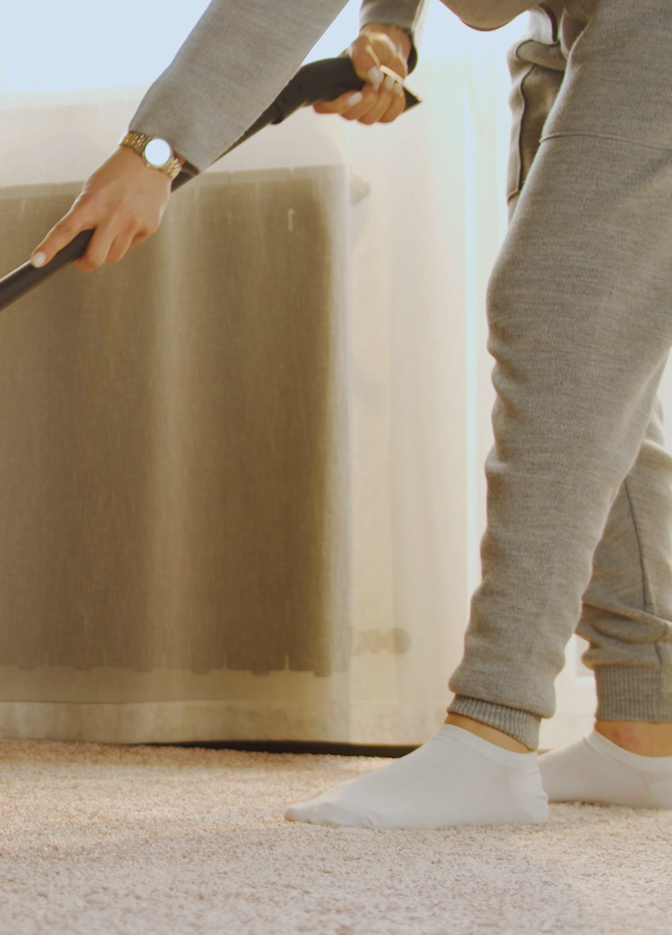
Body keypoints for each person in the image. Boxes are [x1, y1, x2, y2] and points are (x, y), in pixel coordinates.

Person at [33, 0, 672, 827]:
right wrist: (393, 24)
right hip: (576, 25)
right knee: (595, 351)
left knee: (562, 315)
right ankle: (645, 728)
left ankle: (493, 737)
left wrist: (157, 149)